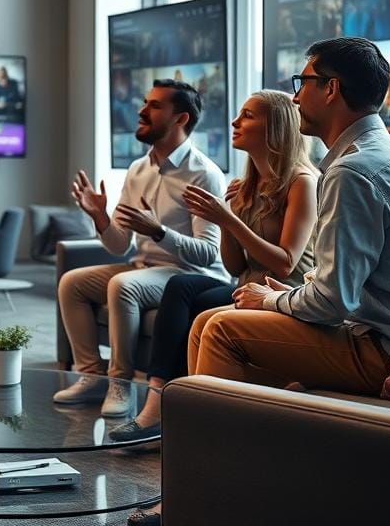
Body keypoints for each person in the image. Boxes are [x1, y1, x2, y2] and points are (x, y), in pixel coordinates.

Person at [191, 37, 390, 398]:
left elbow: (331, 303)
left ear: (331, 89)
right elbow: (346, 287)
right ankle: (252, 429)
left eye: (302, 82)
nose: (295, 98)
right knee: (205, 321)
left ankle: (214, 436)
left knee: (220, 329)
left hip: (387, 349)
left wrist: (268, 300)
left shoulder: (353, 171)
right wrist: (290, 295)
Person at [110, 90, 317, 444]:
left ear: (276, 127)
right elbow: (234, 265)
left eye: (248, 116)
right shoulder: (247, 185)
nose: (235, 122)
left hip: (282, 294)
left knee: (196, 307)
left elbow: (285, 264)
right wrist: (226, 221)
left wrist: (228, 219)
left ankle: (177, 415)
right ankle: (159, 400)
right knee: (181, 288)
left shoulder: (302, 182)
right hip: (246, 287)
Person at [54, 79, 227, 417]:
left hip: (188, 274)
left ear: (181, 119)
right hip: (143, 268)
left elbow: (209, 253)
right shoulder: (137, 169)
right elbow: (120, 245)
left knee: (123, 285)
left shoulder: (204, 174)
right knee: (72, 282)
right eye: (146, 102)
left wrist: (159, 232)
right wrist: (100, 217)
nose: (142, 110)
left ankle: (120, 383)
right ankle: (92, 376)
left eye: (154, 105)